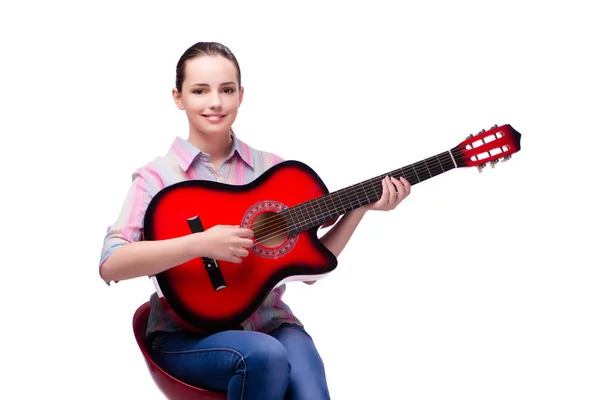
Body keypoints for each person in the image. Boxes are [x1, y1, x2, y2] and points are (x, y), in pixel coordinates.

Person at [99, 41, 411, 400]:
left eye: (226, 90)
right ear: (178, 97)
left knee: (310, 392)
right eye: (200, 90)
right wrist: (200, 243)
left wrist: (359, 209)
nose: (214, 102)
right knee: (264, 357)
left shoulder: (275, 171)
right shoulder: (156, 178)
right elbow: (111, 265)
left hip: (271, 324)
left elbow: (309, 269)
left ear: (241, 95)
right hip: (186, 334)